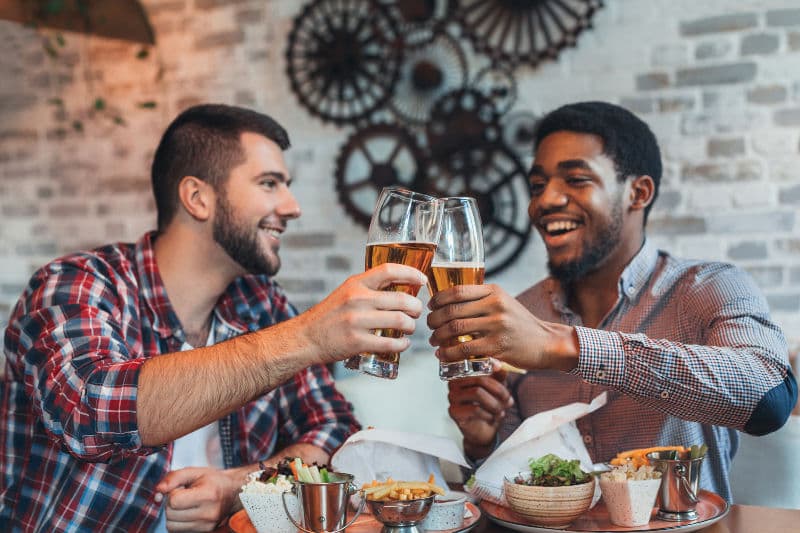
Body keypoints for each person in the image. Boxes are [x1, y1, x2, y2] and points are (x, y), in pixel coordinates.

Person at [1, 104, 429, 531]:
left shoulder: (262, 304)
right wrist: (309, 336)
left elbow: (335, 430)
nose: (293, 206)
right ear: (198, 198)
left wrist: (238, 486)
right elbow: (91, 412)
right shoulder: (75, 285)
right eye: (269, 183)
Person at [427, 101, 797, 503]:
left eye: (577, 179)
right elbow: (510, 489)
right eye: (537, 186)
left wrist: (567, 346)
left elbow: (769, 398)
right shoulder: (522, 314)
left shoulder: (709, 287)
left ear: (638, 193)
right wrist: (483, 440)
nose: (546, 200)